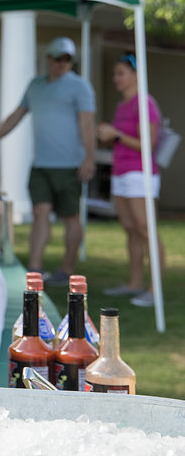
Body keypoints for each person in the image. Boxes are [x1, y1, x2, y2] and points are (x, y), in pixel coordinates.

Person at [0, 36, 96, 285]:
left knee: (70, 217)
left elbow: (87, 122)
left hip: (70, 165)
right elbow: (16, 115)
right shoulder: (35, 86)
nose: (62, 63)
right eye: (58, 58)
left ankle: (66, 269)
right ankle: (34, 271)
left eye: (67, 59)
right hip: (41, 165)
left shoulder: (80, 87)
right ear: (48, 58)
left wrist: (89, 156)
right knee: (40, 212)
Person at [97, 53, 165, 308]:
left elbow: (148, 145)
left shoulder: (146, 103)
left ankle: (154, 290)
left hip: (140, 173)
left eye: (120, 74)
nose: (116, 79)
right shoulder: (122, 105)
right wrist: (110, 135)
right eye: (115, 74)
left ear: (135, 75)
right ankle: (134, 283)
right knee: (130, 229)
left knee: (146, 230)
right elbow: (122, 139)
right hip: (120, 172)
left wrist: (116, 134)